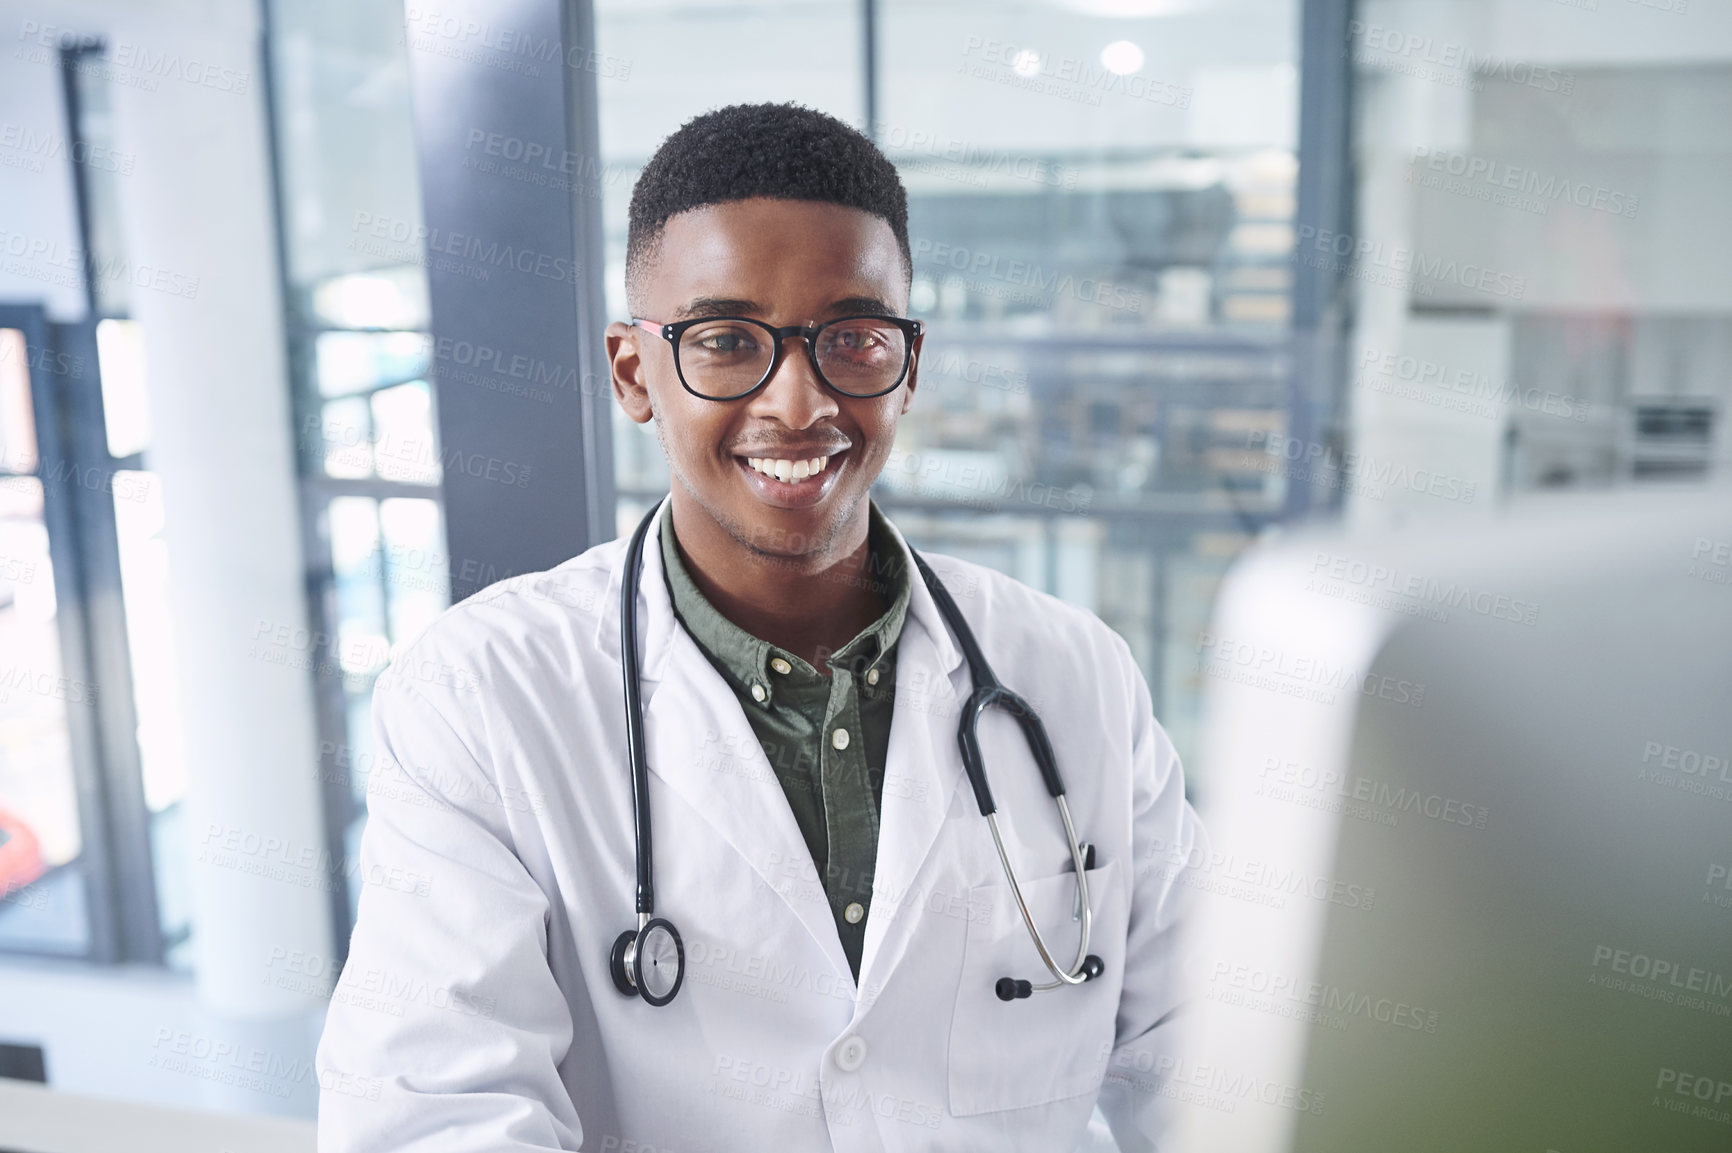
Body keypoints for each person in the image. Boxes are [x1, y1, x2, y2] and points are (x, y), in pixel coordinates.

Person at [316, 102, 1205, 1152]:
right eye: (727, 341)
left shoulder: (1072, 675)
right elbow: (434, 1117)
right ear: (634, 372)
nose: (797, 403)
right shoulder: (483, 695)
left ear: (907, 367)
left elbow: (1209, 1061)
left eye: (853, 338)